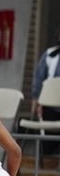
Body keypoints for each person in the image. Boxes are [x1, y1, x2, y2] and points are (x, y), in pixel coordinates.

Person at [30, 27, 60, 156]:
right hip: (49, 108)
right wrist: (35, 105)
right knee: (47, 147)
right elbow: (38, 81)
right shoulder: (50, 54)